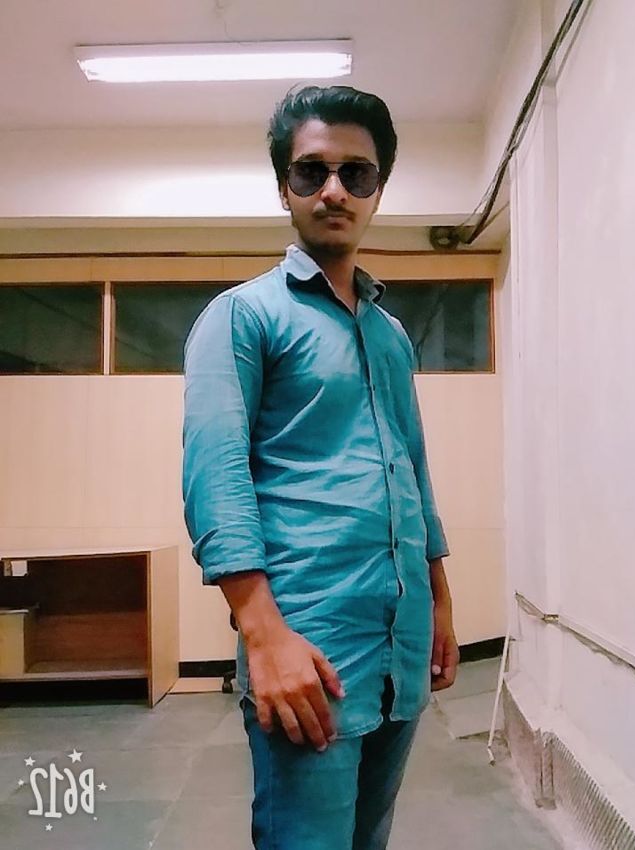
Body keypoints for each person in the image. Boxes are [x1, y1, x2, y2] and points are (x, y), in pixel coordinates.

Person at [182, 84, 460, 850]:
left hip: (400, 642)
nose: (334, 190)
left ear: (377, 190)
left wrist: (439, 600)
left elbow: (412, 470)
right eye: (312, 171)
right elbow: (215, 477)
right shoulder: (243, 316)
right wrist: (262, 634)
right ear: (285, 188)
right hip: (307, 649)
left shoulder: (390, 335)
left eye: (356, 173)